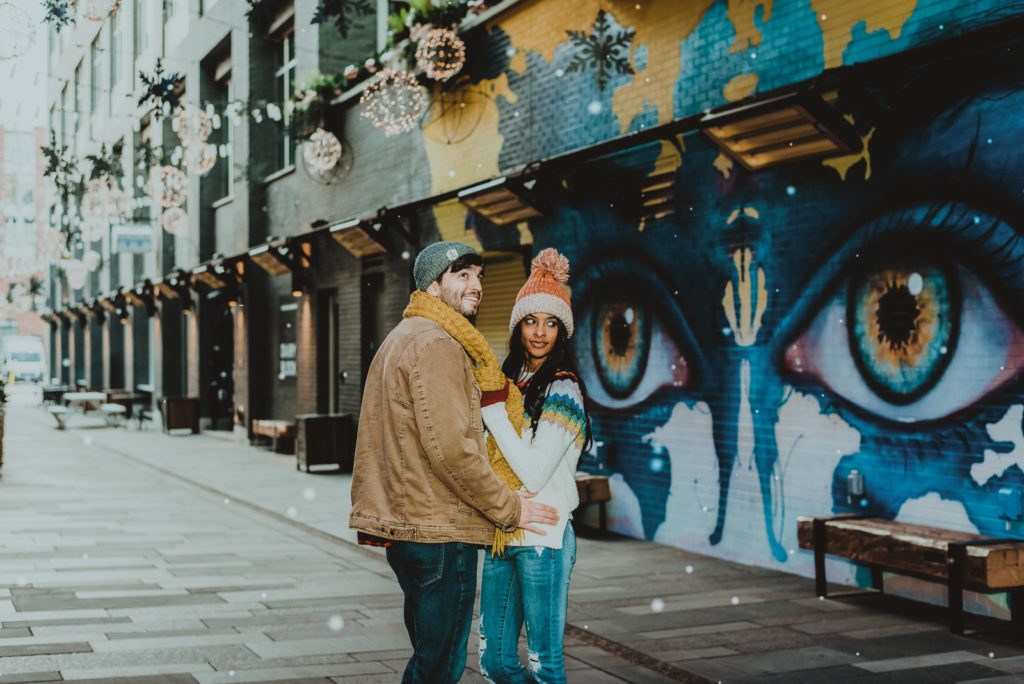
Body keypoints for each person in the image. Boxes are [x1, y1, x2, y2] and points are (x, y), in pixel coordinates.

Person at [349, 240, 559, 684]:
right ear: (432, 285)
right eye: (462, 275)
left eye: (479, 275)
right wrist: (510, 507)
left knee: (430, 654)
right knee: (439, 666)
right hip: (438, 533)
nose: (477, 285)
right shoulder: (438, 345)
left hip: (411, 529)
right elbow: (453, 450)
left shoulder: (401, 338)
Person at [477, 248, 591, 684]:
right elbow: (485, 459)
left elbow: (536, 472)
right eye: (531, 320)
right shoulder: (507, 383)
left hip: (545, 536)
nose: (540, 332)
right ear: (517, 325)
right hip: (503, 531)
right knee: (494, 662)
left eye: (551, 322)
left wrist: (491, 414)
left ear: (563, 330)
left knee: (545, 663)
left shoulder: (565, 390)